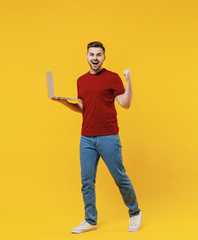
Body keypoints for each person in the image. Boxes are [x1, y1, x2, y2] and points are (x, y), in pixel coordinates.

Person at [51, 41, 142, 233]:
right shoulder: (81, 80)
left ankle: (135, 213)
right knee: (87, 180)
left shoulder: (112, 78)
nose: (94, 58)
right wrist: (64, 103)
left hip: (108, 136)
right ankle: (90, 220)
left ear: (104, 57)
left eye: (98, 55)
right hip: (86, 138)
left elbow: (125, 104)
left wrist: (128, 82)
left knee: (120, 177)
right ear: (86, 56)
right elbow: (84, 108)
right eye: (91, 54)